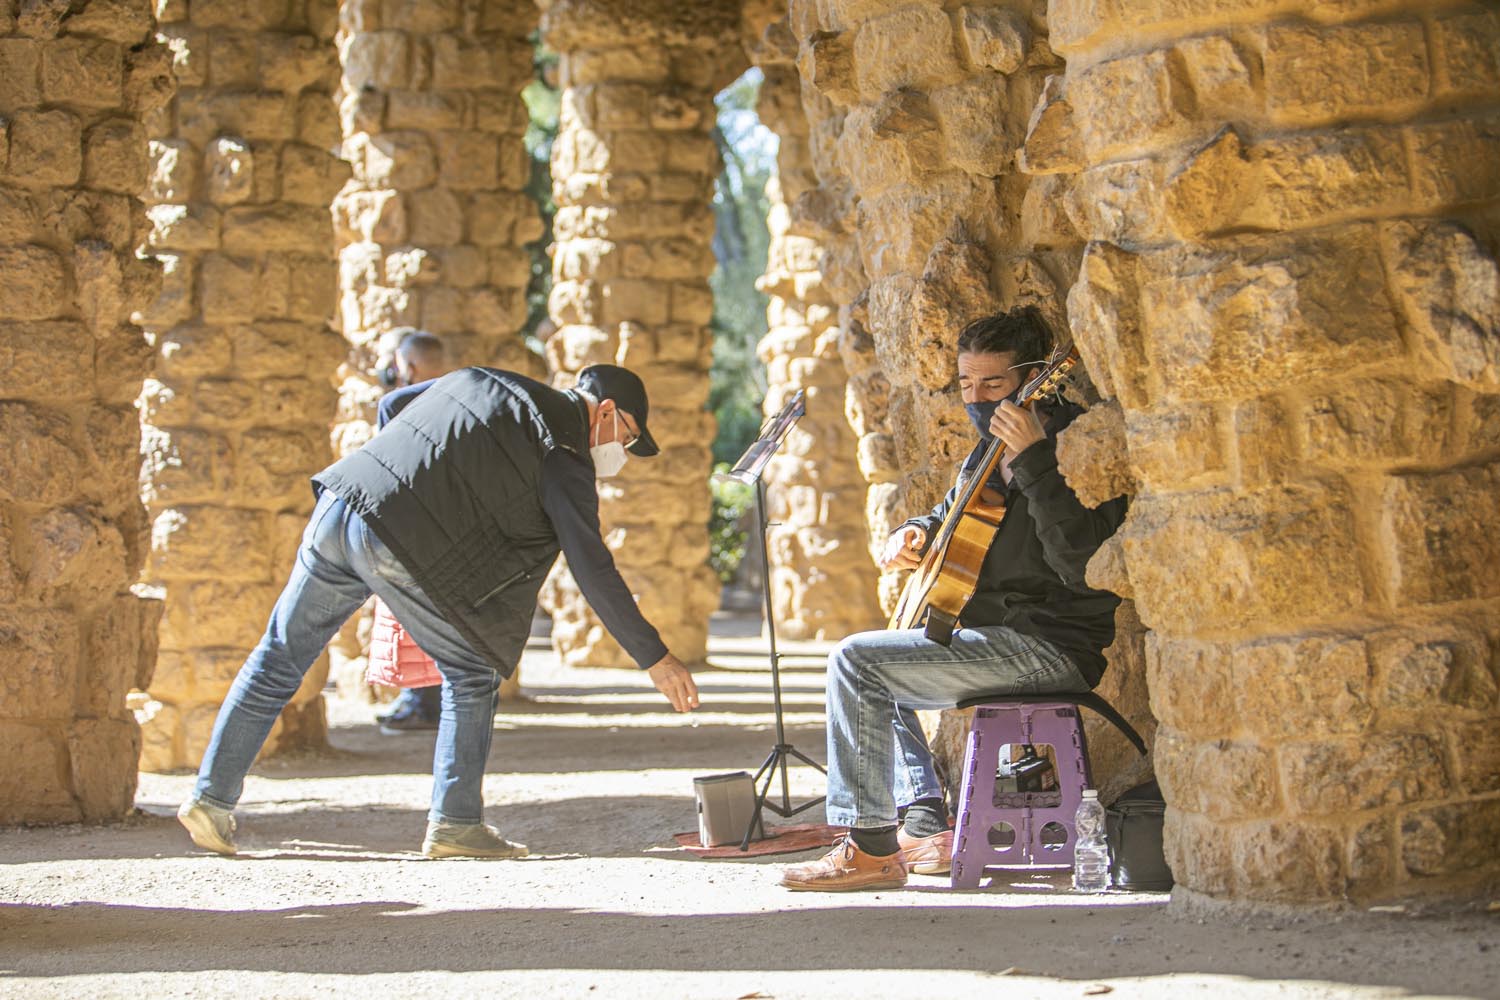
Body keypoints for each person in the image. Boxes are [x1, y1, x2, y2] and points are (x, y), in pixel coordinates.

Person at [177, 363, 700, 859]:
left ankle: (210, 800)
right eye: (628, 437)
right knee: (473, 674)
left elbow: (393, 403)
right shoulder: (564, 454)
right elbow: (591, 564)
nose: (622, 451)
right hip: (396, 540)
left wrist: (402, 479)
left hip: (341, 504)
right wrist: (655, 658)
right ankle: (456, 824)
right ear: (605, 412)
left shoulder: (484, 378)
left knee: (278, 657)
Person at [779, 305, 1128, 892]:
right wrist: (913, 532)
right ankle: (921, 822)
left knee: (856, 661)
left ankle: (869, 851)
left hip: (1050, 644)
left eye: (993, 384)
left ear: (1035, 378)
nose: (978, 397)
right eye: (967, 384)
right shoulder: (983, 454)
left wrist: (1035, 460)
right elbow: (950, 518)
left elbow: (1083, 566)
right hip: (995, 638)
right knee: (876, 661)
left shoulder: (1080, 444)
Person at [369, 328, 454, 734]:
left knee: (413, 619)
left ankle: (422, 703)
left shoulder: (399, 406)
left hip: (415, 526)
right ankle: (422, 700)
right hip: (451, 526)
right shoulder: (461, 406)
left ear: (411, 367)